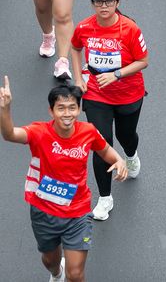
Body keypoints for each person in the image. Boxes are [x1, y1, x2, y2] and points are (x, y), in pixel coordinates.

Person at [0, 79, 127, 282]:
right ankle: (56, 273)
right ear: (51, 111)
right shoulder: (39, 132)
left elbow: (105, 151)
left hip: (78, 212)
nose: (67, 113)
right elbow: (10, 134)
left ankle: (66, 273)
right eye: (61, 108)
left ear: (79, 110)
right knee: (50, 260)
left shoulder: (88, 131)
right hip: (44, 211)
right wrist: (5, 109)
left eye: (72, 108)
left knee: (75, 274)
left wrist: (119, 161)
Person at [70, 0, 148, 221]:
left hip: (128, 93)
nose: (104, 5)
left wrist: (116, 75)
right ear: (92, 3)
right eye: (99, 1)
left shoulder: (130, 29)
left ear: (117, 2)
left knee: (126, 136)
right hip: (96, 93)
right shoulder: (84, 27)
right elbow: (75, 48)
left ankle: (131, 155)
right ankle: (105, 198)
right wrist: (78, 78)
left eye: (109, 1)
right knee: (100, 142)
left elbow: (143, 61)